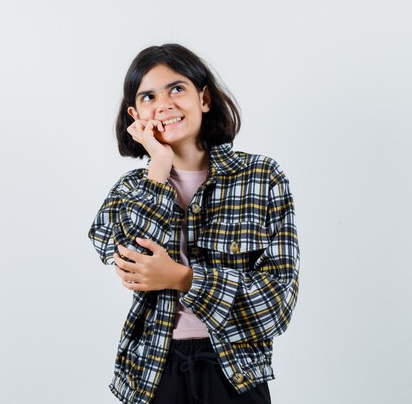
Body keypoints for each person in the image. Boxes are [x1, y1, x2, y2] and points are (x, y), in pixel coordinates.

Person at [87, 43, 300, 404]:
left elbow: (277, 304)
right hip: (153, 371)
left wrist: (183, 278)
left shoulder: (262, 177)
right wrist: (159, 165)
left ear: (204, 98)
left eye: (177, 89)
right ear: (135, 115)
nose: (164, 104)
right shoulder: (130, 190)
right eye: (148, 96)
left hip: (236, 370)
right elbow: (130, 261)